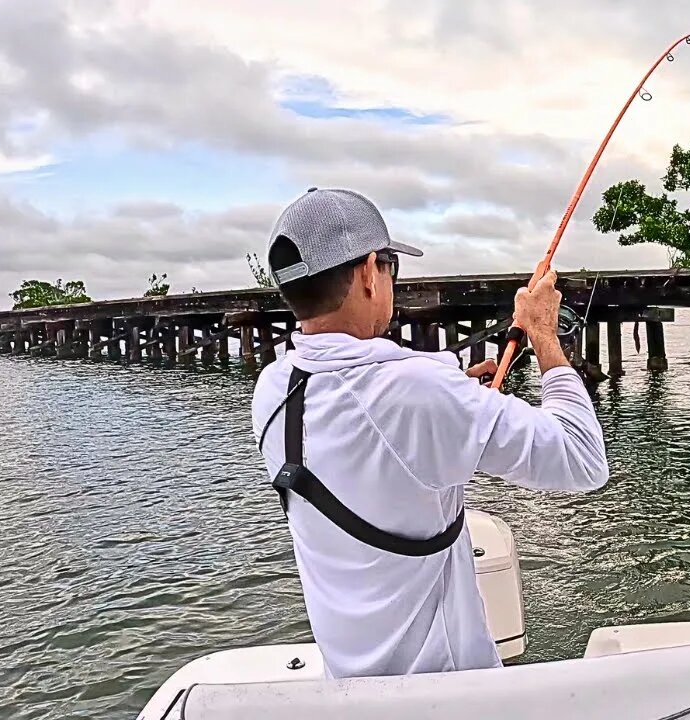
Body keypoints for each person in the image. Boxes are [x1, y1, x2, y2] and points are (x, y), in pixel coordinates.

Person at [250, 187, 609, 680]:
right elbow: (582, 459)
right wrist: (544, 333)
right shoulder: (420, 391)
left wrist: (458, 396)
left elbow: (370, 428)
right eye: (390, 267)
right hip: (446, 692)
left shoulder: (273, 390)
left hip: (352, 691)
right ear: (367, 274)